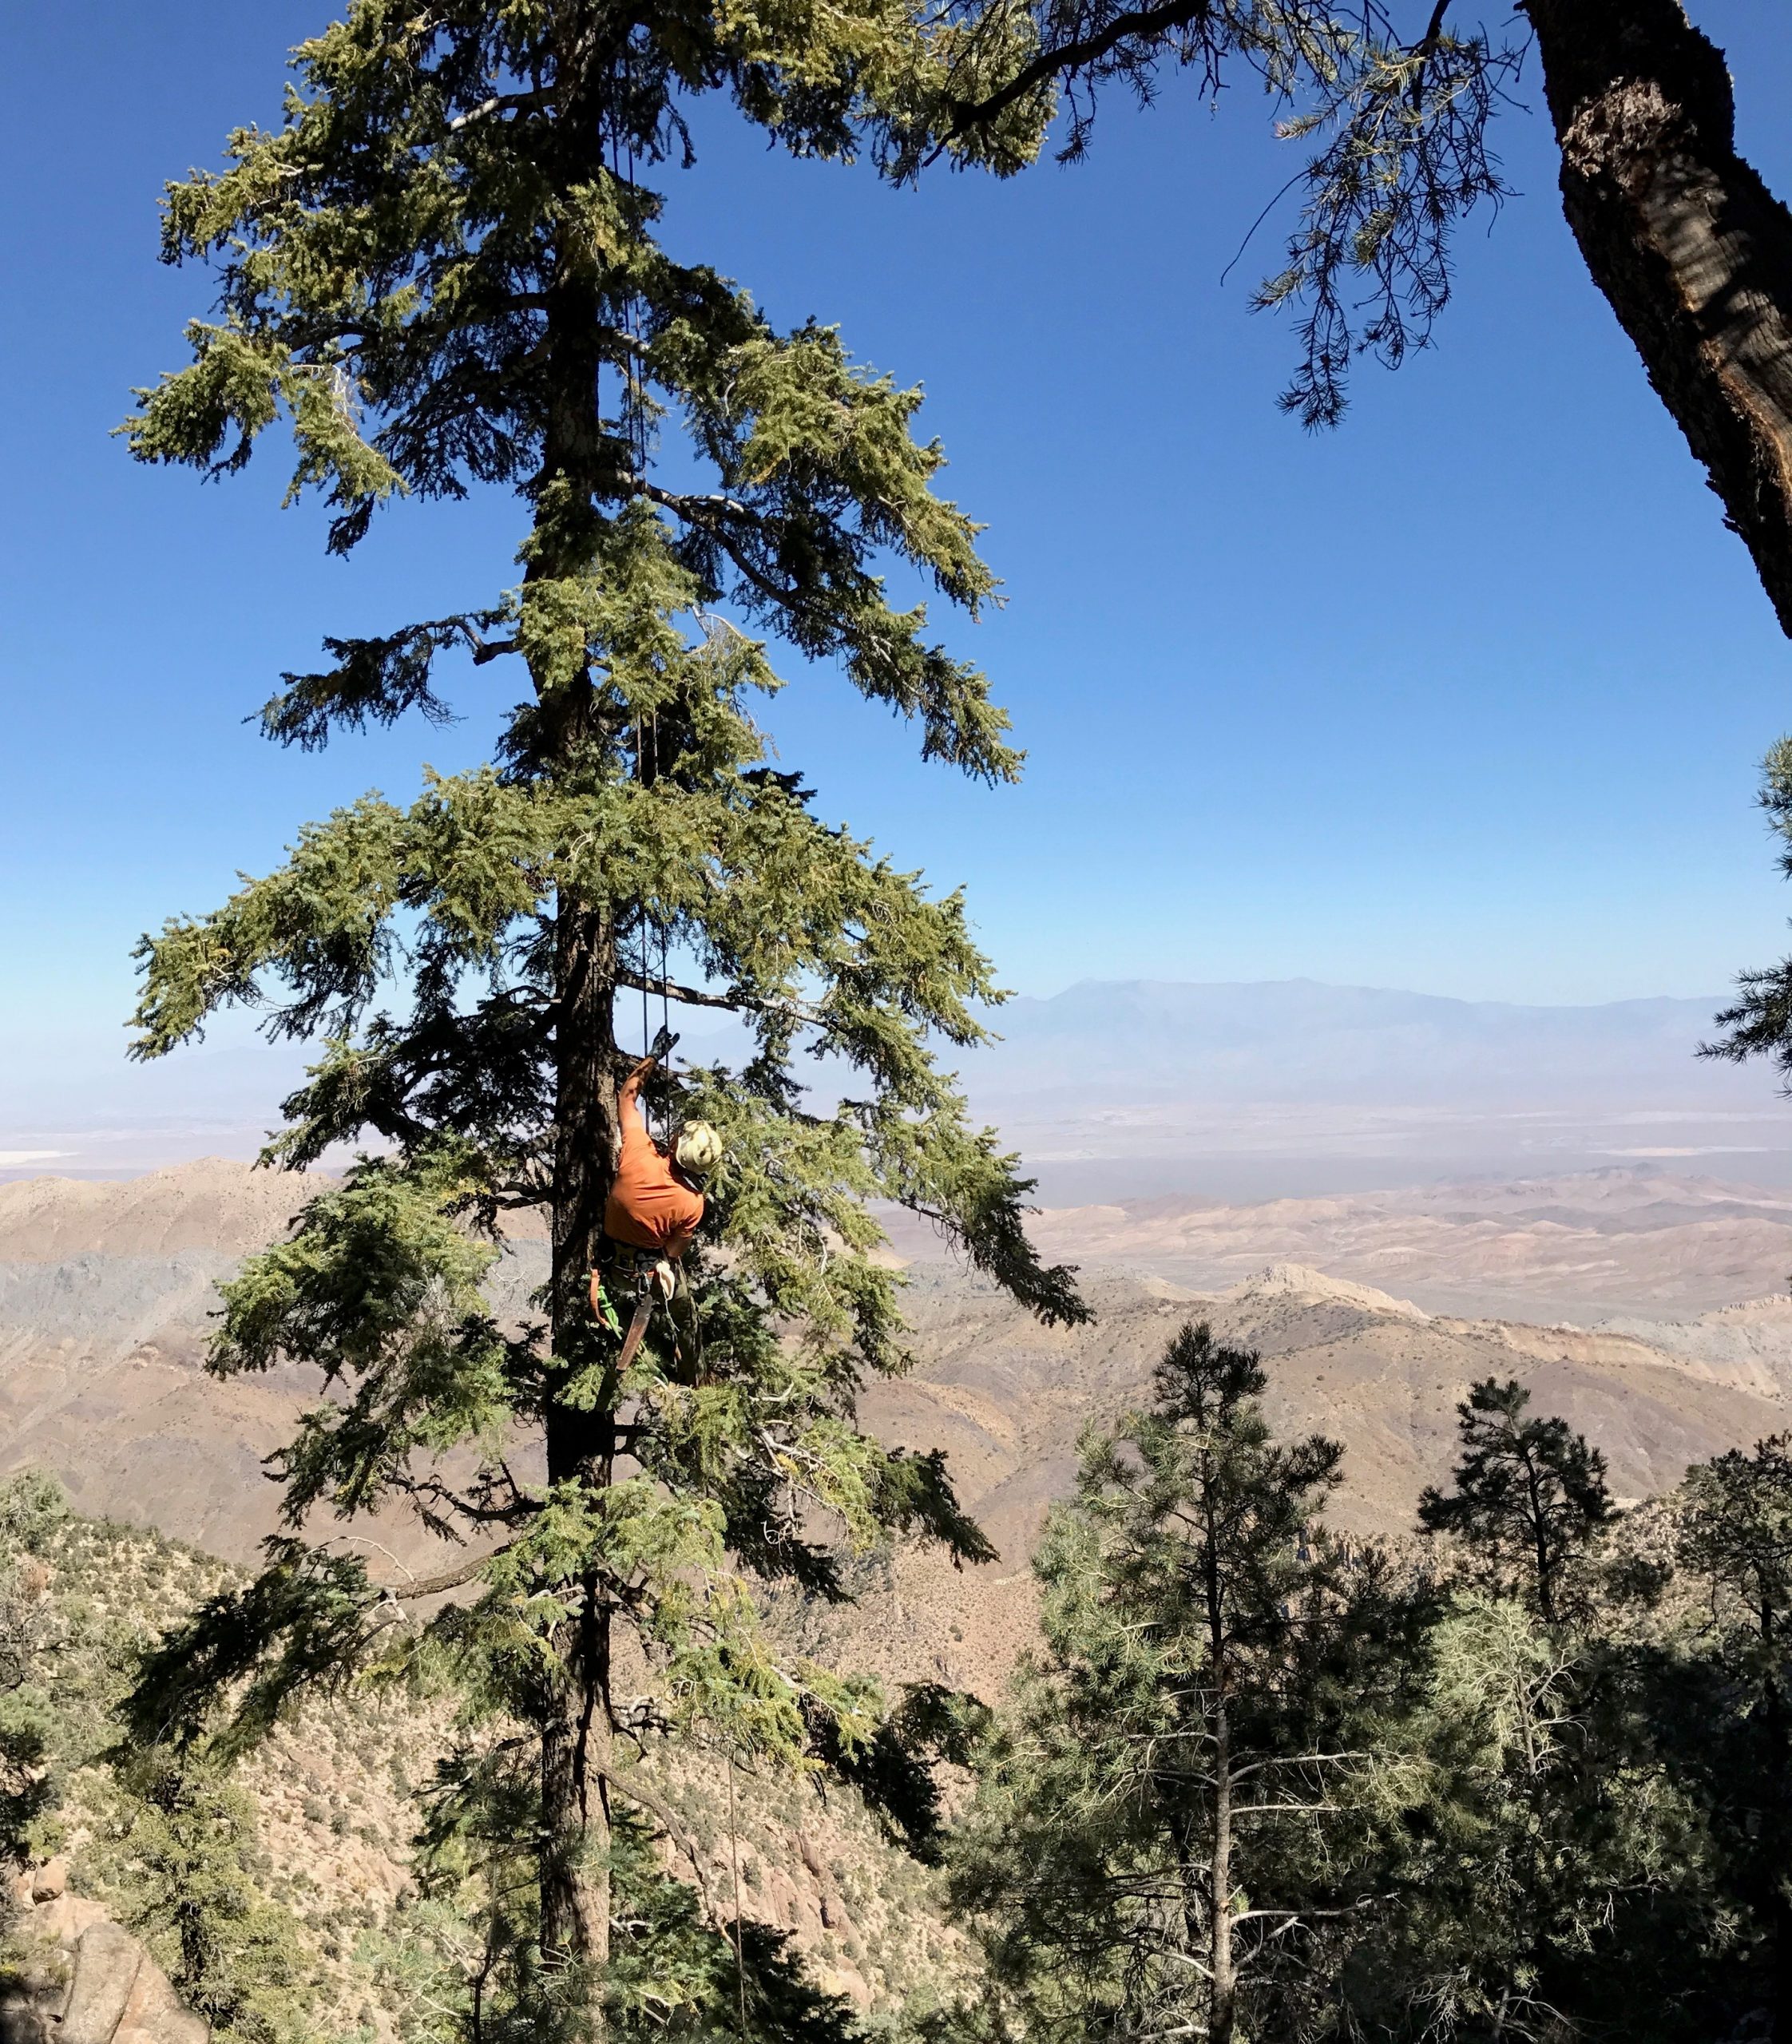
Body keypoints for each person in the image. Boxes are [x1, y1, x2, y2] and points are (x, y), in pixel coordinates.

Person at [591, 1038, 724, 1361]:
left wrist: (651, 1057)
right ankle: (691, 1364)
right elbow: (674, 1250)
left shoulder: (638, 1152)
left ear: (677, 1143)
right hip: (646, 1278)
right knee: (687, 1311)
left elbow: (628, 1096)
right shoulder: (692, 1202)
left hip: (608, 1265)